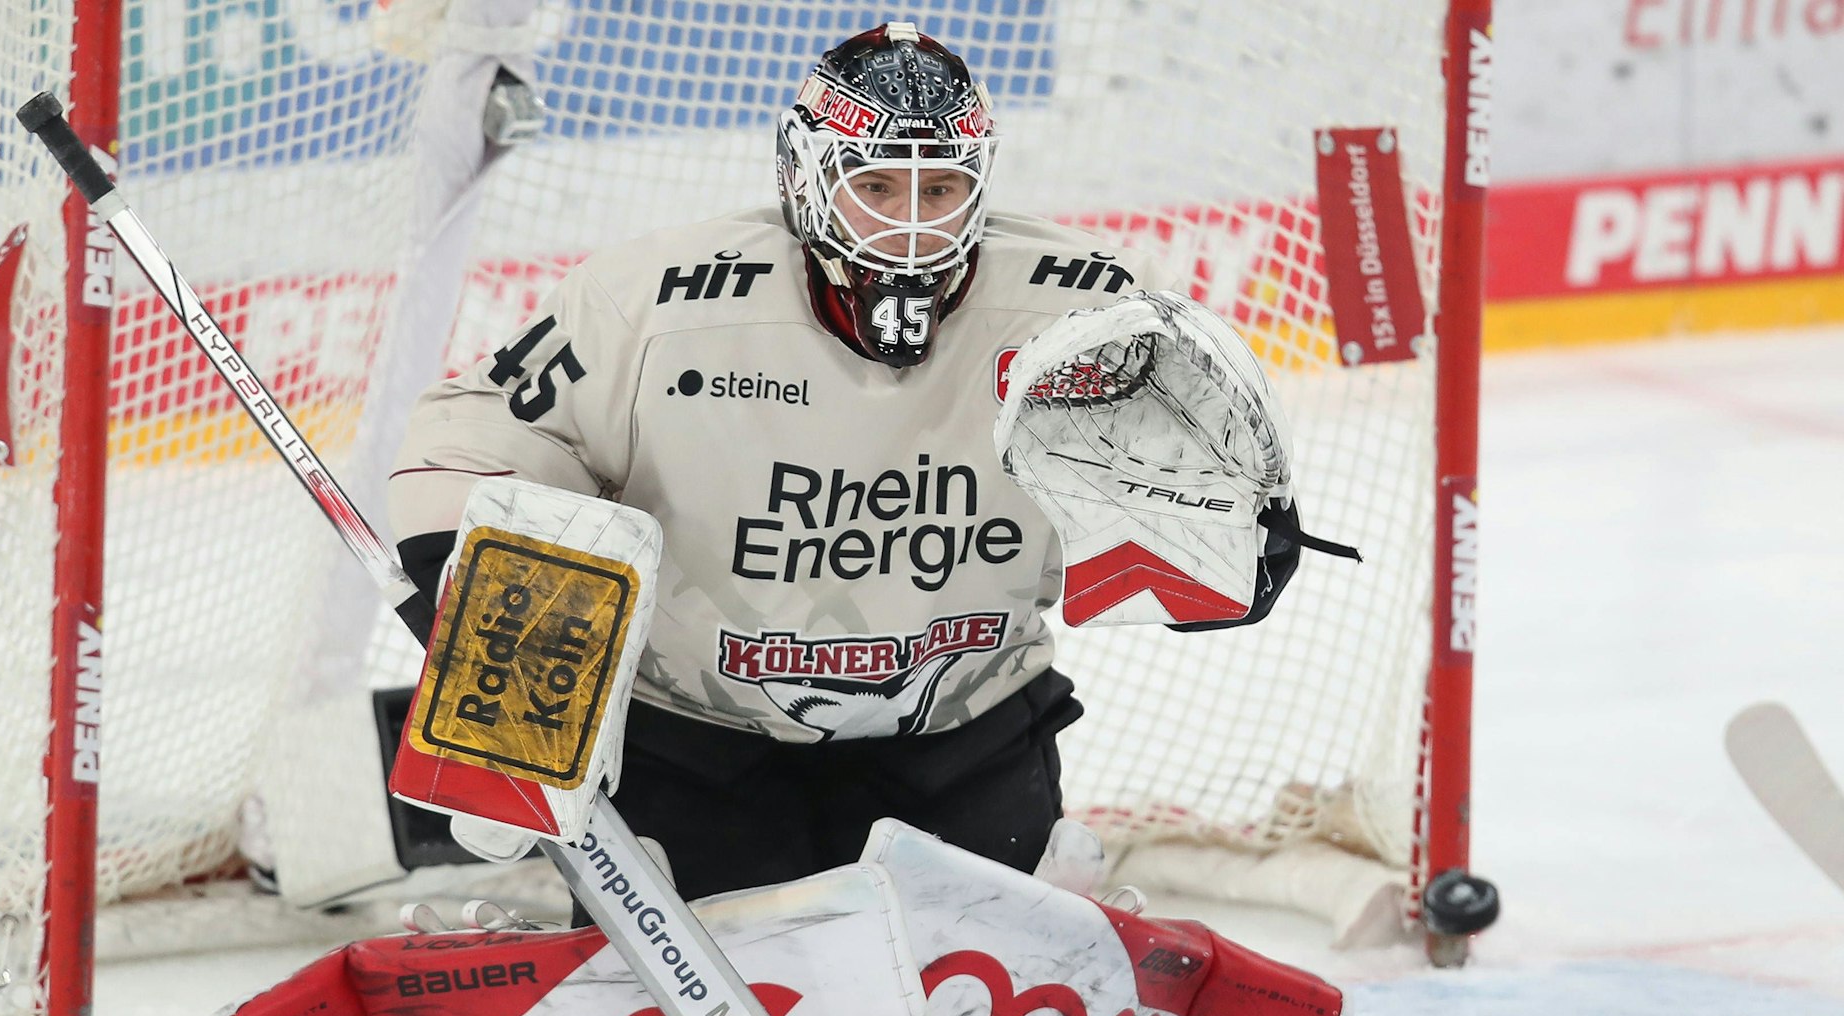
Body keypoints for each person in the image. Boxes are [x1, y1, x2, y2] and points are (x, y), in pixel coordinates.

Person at [389, 22, 1301, 909]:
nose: (910, 227)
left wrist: (1220, 541)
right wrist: (467, 583)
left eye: (939, 189)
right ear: (806, 177)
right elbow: (478, 437)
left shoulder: (1087, 306)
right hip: (698, 750)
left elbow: (1181, 484)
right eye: (877, 186)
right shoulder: (657, 302)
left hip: (965, 742)